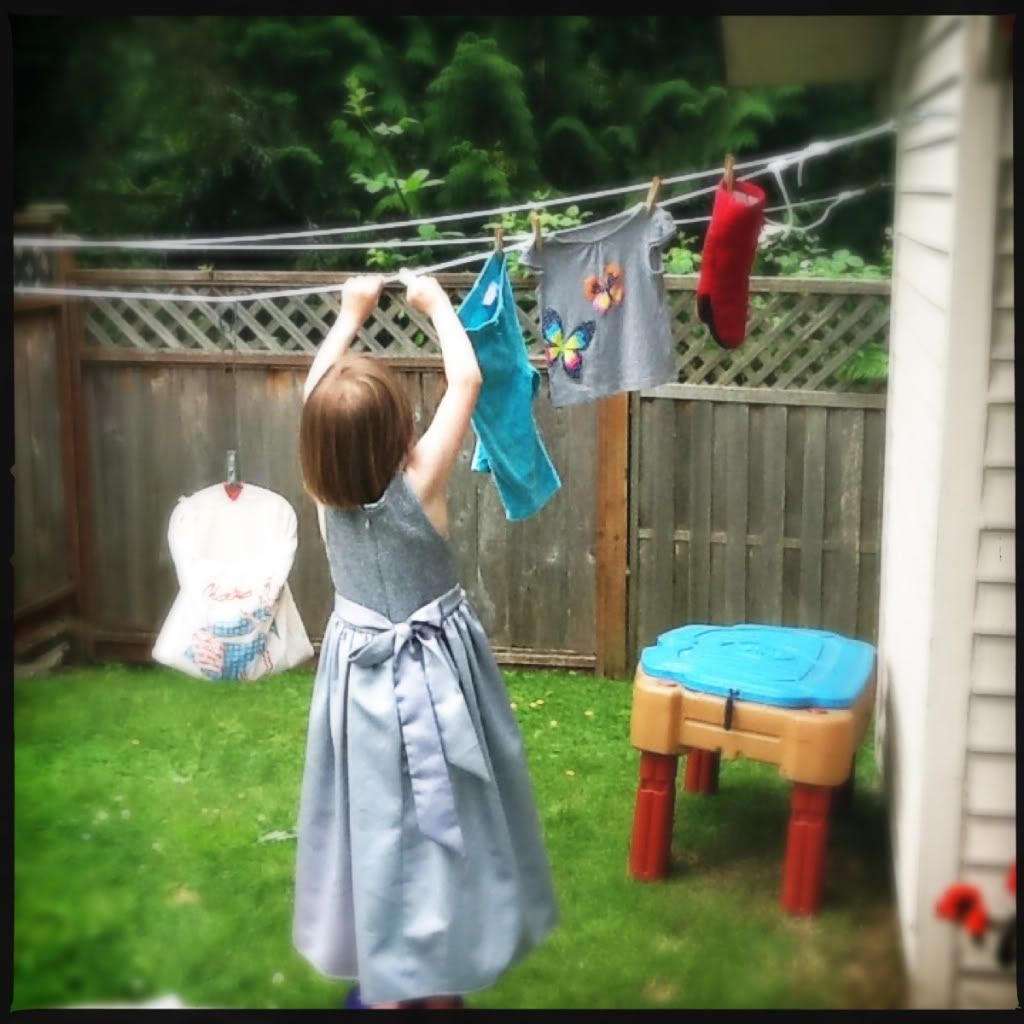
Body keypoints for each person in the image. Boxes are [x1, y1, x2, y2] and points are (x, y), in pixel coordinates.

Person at [292, 273, 558, 1010]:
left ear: (317, 442)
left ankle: (388, 987)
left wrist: (349, 316)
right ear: (399, 431)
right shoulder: (421, 479)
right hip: (439, 679)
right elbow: (466, 378)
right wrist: (437, 304)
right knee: (452, 826)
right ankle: (439, 987)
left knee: (377, 825)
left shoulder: (321, 493)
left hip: (360, 684)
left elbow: (316, 395)